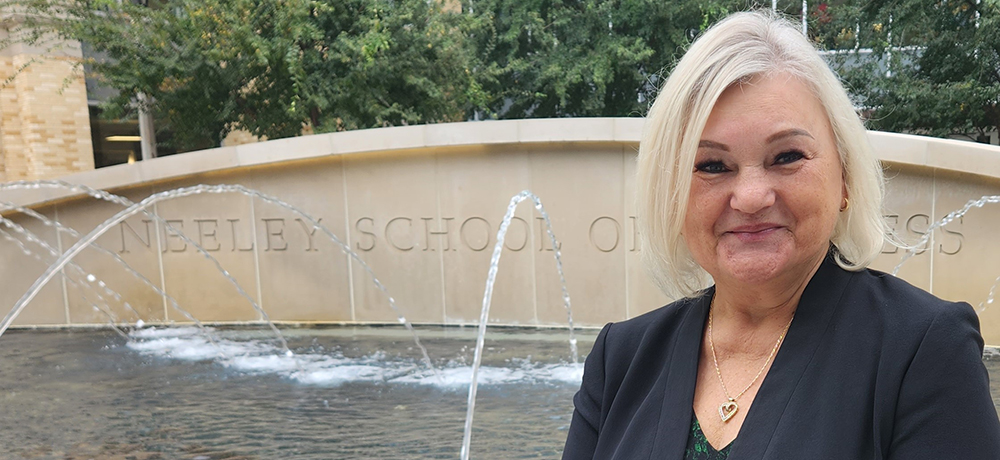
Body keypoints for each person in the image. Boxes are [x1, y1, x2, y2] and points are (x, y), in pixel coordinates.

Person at [562, 10, 1000, 460]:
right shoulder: (621, 358)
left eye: (787, 156)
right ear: (672, 193)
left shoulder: (923, 350)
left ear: (845, 176)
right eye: (712, 165)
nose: (750, 197)